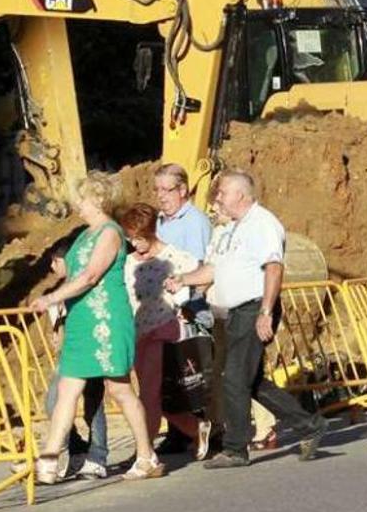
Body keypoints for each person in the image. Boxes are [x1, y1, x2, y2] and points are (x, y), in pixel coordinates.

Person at [165, 170, 327, 469]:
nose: (218, 199)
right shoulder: (231, 229)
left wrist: (265, 312)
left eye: (222, 192)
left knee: (234, 377)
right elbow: (213, 270)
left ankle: (235, 449)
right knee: (247, 380)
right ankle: (309, 425)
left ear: (240, 194)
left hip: (253, 308)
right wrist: (183, 279)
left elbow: (274, 268)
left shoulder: (262, 224)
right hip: (234, 313)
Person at [30, 172, 162, 483]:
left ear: (98, 200)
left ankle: (146, 454)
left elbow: (90, 276)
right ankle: (49, 458)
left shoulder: (110, 232)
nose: (78, 204)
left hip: (105, 319)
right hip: (81, 320)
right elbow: (74, 272)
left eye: (82, 198)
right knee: (67, 390)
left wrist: (52, 297)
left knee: (119, 389)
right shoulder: (85, 234)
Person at [119, 203, 211, 459]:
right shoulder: (127, 263)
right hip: (139, 335)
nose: (134, 243)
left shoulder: (174, 257)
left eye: (139, 237)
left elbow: (205, 274)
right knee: (163, 398)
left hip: (165, 331)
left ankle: (144, 453)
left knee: (150, 395)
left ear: (151, 232)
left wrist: (189, 301)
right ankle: (198, 428)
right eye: (131, 238)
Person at [32, 242, 110, 480]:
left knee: (93, 406)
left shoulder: (85, 284)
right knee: (53, 402)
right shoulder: (61, 291)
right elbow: (58, 326)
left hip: (89, 350)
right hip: (69, 357)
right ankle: (77, 448)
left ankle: (98, 456)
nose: (53, 266)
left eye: (57, 260)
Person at [150, 163, 213, 453]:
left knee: (194, 372)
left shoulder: (195, 222)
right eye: (158, 189)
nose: (161, 196)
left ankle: (208, 429)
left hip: (190, 310)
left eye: (167, 189)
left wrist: (185, 303)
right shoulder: (161, 221)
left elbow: (199, 266)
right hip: (165, 311)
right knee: (172, 373)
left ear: (183, 190)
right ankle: (180, 430)